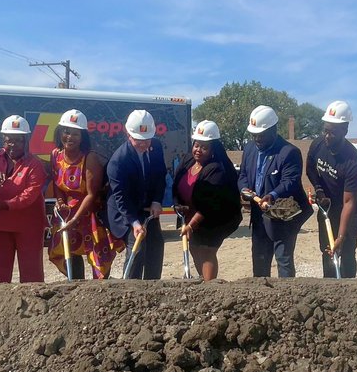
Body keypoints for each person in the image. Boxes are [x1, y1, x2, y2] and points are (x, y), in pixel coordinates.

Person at [48, 109, 123, 280]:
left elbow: (91, 194)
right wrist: (60, 201)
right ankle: (77, 292)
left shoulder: (90, 158)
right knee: (70, 254)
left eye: (75, 133)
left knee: (99, 264)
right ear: (60, 132)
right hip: (67, 214)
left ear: (83, 137)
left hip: (89, 215)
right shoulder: (55, 155)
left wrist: (75, 219)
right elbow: (57, 182)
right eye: (66, 132)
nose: (69, 137)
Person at [238, 105, 312, 277]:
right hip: (259, 216)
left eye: (261, 134)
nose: (257, 138)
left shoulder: (289, 152)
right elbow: (242, 174)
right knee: (260, 260)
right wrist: (243, 189)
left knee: (283, 261)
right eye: (254, 134)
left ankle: (286, 298)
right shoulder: (249, 149)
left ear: (274, 130)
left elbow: (290, 181)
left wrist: (272, 195)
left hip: (283, 216)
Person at [0, 115, 47, 283]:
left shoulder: (35, 165)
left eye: (18, 140)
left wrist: (4, 205)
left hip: (27, 226)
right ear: (3, 139)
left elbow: (29, 195)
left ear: (26, 140)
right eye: (8, 140)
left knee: (31, 273)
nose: (13, 145)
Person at [173, 120, 242, 280]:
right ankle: (203, 280)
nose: (198, 150)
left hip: (215, 217)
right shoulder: (188, 161)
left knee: (206, 250)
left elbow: (208, 205)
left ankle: (210, 288)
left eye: (204, 147)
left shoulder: (217, 169)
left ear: (213, 149)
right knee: (194, 248)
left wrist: (191, 225)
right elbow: (176, 184)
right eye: (197, 145)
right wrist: (178, 204)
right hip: (191, 213)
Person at [306, 101, 357, 278]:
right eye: (325, 130)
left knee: (345, 249)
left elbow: (349, 202)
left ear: (345, 130)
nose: (327, 136)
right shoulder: (318, 144)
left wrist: (341, 235)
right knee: (327, 248)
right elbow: (310, 169)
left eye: (333, 132)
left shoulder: (353, 160)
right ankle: (330, 286)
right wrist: (319, 189)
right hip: (328, 204)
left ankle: (348, 288)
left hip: (350, 208)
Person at [106, 109, 167, 279]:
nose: (143, 144)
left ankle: (153, 286)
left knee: (156, 244)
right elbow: (121, 198)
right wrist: (134, 222)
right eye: (138, 140)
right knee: (137, 247)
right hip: (125, 210)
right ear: (128, 134)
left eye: (146, 140)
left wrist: (156, 200)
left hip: (147, 206)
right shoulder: (118, 162)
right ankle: (130, 289)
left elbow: (160, 175)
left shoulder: (156, 147)